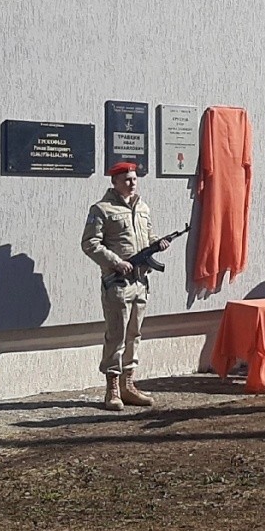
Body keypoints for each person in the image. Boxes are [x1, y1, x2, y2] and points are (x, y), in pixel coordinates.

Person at [81, 161, 172, 411]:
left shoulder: (143, 208)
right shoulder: (102, 209)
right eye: (127, 180)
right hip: (118, 283)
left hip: (141, 281)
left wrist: (158, 243)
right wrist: (116, 262)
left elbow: (148, 237)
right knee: (117, 335)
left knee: (135, 334)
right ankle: (112, 389)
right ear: (115, 182)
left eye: (134, 179)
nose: (132, 183)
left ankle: (128, 385)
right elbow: (90, 243)